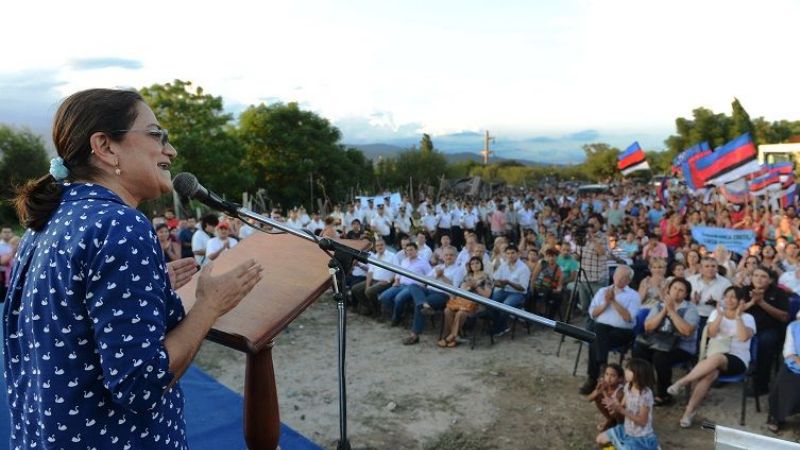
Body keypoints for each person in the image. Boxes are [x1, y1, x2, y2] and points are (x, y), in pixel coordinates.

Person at [4, 88, 263, 449]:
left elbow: (66, 318)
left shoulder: (46, 223)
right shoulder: (121, 225)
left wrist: (146, 290)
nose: (170, 150)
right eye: (157, 135)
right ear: (106, 147)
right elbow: (141, 384)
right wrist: (209, 306)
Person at [667, 286, 756, 428]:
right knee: (709, 374)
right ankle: (689, 412)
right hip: (714, 356)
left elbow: (744, 337)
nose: (729, 300)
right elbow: (711, 334)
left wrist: (738, 317)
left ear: (740, 301)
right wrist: (720, 316)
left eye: (733, 297)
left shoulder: (748, 318)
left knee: (718, 358)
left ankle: (683, 382)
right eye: (727, 296)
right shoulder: (716, 313)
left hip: (737, 359)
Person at [633, 277, 699, 406]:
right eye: (674, 288)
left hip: (682, 346)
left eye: (681, 290)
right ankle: (643, 386)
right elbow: (648, 326)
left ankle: (664, 394)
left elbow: (686, 331)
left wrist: (672, 311)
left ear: (686, 294)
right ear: (669, 290)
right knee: (638, 349)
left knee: (660, 357)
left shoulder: (690, 309)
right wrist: (664, 310)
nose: (676, 292)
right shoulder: (659, 305)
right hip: (657, 341)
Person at [579, 266, 641, 395]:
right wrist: (605, 304)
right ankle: (601, 368)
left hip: (622, 332)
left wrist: (613, 301)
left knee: (596, 336)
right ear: (613, 276)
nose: (619, 279)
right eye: (618, 275)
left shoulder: (633, 295)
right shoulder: (603, 291)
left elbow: (628, 317)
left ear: (629, 280)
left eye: (624, 277)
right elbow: (592, 314)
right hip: (602, 331)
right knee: (597, 332)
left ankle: (594, 377)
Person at [402, 245, 465, 345]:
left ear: (456, 256)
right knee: (413, 285)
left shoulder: (459, 270)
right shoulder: (438, 267)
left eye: (451, 255)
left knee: (420, 306)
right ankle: (423, 303)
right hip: (430, 290)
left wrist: (442, 276)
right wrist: (436, 275)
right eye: (446, 255)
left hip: (443, 294)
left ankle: (414, 335)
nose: (448, 257)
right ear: (442, 256)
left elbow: (455, 289)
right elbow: (426, 280)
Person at [744, 266, 790, 396]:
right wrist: (752, 302)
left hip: (769, 330)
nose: (759, 279)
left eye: (763, 276)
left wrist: (762, 303)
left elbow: (784, 316)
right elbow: (734, 310)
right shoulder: (744, 291)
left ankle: (761, 384)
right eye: (756, 275)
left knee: (765, 342)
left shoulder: (779, 293)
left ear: (770, 280)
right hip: (745, 329)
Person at [595, 358, 660, 450]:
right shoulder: (628, 386)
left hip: (641, 436)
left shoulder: (645, 395)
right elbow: (622, 406)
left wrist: (620, 410)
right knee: (600, 439)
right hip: (627, 429)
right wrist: (614, 404)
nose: (625, 371)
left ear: (638, 374)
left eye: (629, 370)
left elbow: (642, 421)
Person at [440, 256, 493, 348]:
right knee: (447, 310)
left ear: (481, 264)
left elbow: (487, 295)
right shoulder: (467, 276)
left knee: (461, 313)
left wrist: (475, 286)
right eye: (472, 264)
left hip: (478, 304)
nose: (475, 265)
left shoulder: (486, 277)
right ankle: (454, 336)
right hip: (464, 302)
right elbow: (461, 290)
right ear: (470, 266)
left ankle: (452, 336)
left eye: (477, 263)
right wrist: (465, 288)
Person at [767, 311, 800, 432]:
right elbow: (788, 351)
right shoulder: (794, 327)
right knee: (783, 381)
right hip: (795, 364)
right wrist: (797, 360)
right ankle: (777, 417)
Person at [489, 244, 531, 337]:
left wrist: (509, 282)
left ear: (518, 254)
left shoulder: (523, 268)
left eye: (513, 253)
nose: (510, 255)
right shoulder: (503, 265)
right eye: (508, 253)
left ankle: (499, 328)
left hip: (518, 294)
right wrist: (496, 282)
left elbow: (523, 288)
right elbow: (495, 278)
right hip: (505, 290)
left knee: (505, 306)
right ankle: (501, 326)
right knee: (491, 303)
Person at [587, 363, 625, 432]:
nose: (608, 378)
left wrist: (604, 392)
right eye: (606, 374)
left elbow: (611, 407)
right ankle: (610, 420)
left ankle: (617, 425)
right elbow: (589, 399)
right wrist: (597, 391)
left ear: (620, 379)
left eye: (613, 376)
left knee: (614, 411)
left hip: (621, 417)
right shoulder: (604, 385)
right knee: (597, 396)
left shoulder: (620, 391)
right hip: (612, 414)